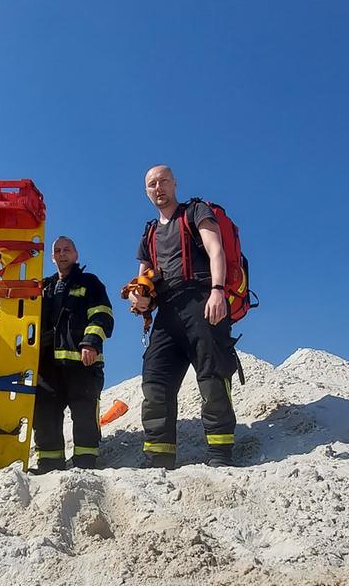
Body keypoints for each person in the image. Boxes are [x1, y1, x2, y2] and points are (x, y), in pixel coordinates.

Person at [129, 165, 238, 469]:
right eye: (151, 184)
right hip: (167, 312)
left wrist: (218, 291)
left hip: (201, 299)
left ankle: (220, 454)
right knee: (155, 381)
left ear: (174, 183)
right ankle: (158, 458)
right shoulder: (149, 232)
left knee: (212, 375)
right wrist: (140, 300)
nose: (158, 187)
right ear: (147, 191)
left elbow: (215, 249)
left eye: (163, 181)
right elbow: (143, 281)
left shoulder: (195, 212)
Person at [32, 236, 114, 473]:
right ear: (52, 257)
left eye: (67, 249)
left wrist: (90, 343)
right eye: (57, 250)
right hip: (48, 365)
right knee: (45, 415)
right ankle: (50, 464)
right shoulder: (44, 287)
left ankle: (85, 463)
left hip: (83, 364)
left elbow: (102, 314)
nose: (62, 253)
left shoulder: (90, 283)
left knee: (84, 414)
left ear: (76, 254)